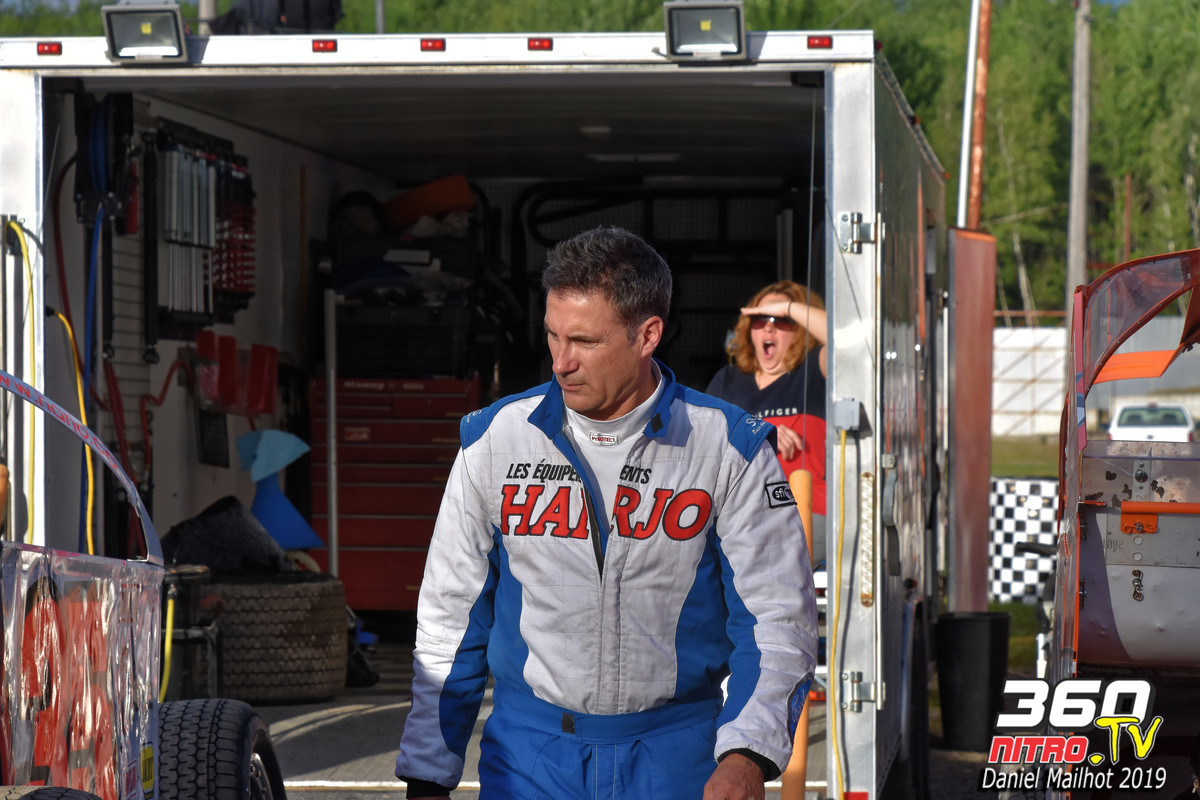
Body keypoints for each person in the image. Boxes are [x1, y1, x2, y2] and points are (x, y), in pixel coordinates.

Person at [395, 226, 818, 800]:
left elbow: (778, 620)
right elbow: (449, 617)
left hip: (678, 759)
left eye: (585, 341)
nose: (561, 362)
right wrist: (427, 773)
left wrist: (747, 754)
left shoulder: (730, 449)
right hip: (529, 760)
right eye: (553, 336)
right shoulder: (494, 441)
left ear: (648, 336)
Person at [705, 281, 829, 568]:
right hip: (739, 513)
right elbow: (702, 442)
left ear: (801, 327)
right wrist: (760, 431)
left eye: (781, 320)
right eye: (760, 319)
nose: (769, 328)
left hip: (806, 514)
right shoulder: (727, 379)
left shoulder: (815, 370)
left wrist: (791, 307)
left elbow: (848, 342)